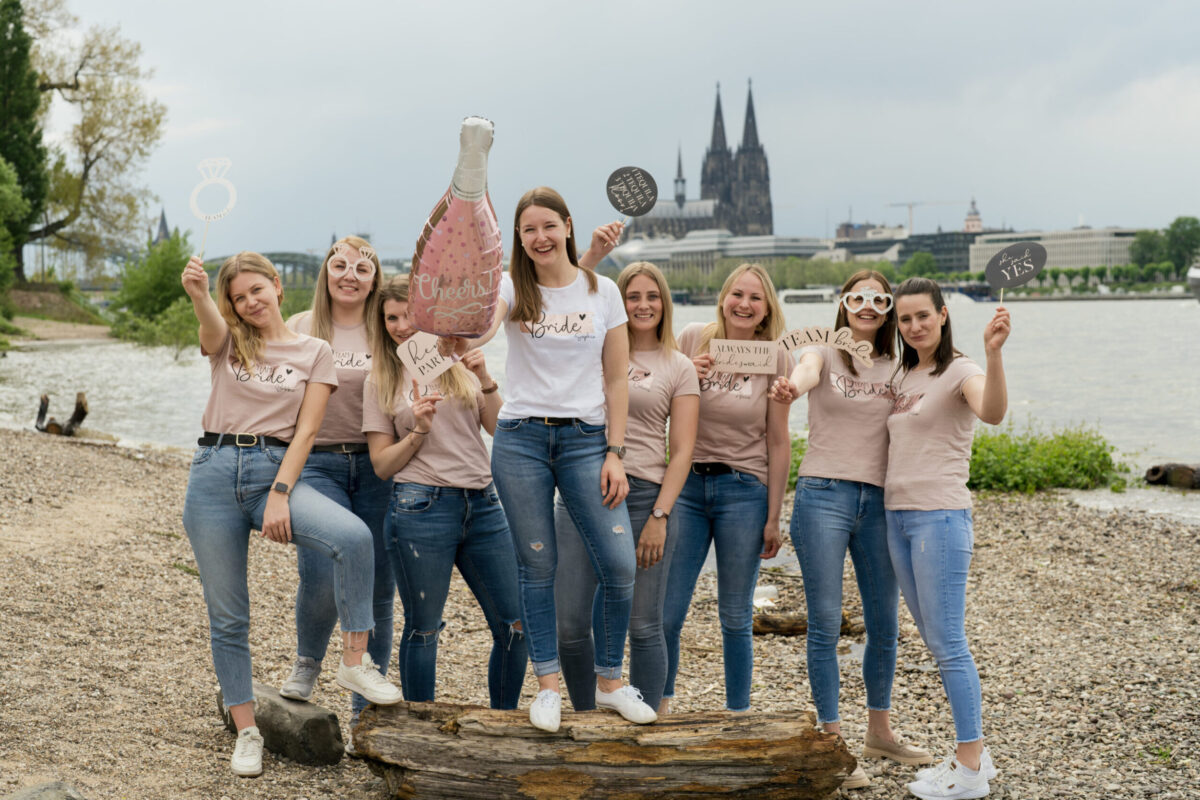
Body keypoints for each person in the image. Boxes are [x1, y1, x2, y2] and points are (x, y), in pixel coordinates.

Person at [179, 253, 401, 779]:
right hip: (212, 472)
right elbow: (210, 332)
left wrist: (280, 492)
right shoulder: (229, 342)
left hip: (273, 470)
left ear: (278, 288)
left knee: (354, 537)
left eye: (258, 290)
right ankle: (248, 730)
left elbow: (306, 431)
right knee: (229, 614)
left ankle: (352, 662)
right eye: (239, 297)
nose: (250, 301)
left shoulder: (314, 350)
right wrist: (201, 295)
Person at [476, 187, 657, 732]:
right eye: (528, 229)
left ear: (567, 226)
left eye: (548, 226)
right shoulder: (511, 287)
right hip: (521, 440)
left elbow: (616, 380)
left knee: (620, 565)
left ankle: (609, 682)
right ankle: (548, 685)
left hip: (586, 440)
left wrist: (616, 452)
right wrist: (463, 331)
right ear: (518, 237)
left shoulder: (602, 292)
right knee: (537, 565)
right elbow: (486, 325)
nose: (539, 237)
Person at [769, 270, 931, 789]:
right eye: (857, 297)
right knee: (824, 621)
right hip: (823, 495)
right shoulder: (822, 348)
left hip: (882, 500)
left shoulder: (900, 363)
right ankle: (833, 743)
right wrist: (791, 387)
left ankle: (879, 731)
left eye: (878, 299)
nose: (867, 306)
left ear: (888, 308)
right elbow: (807, 372)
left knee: (885, 622)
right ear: (843, 303)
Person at [362, 275, 528, 708]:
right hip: (419, 507)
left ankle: (502, 723)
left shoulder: (458, 362)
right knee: (424, 628)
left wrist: (486, 378)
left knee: (515, 625)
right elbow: (382, 465)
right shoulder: (380, 378)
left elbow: (499, 430)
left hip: (484, 504)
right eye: (391, 318)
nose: (401, 325)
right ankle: (423, 731)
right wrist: (418, 430)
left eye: (409, 315)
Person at [554, 260, 699, 715]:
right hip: (583, 491)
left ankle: (647, 730)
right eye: (632, 296)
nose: (642, 305)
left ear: (664, 304)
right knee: (573, 623)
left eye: (651, 297)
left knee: (644, 625)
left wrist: (660, 516)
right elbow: (564, 295)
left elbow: (683, 452)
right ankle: (585, 721)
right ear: (617, 302)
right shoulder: (591, 350)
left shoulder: (679, 366)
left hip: (643, 499)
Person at [886, 277, 1009, 800]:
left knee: (950, 644)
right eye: (905, 318)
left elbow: (993, 412)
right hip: (898, 519)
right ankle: (972, 754)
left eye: (923, 316)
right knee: (938, 642)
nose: (914, 326)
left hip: (940, 517)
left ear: (942, 314)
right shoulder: (904, 374)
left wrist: (994, 353)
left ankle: (971, 767)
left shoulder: (962, 369)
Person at [277, 237, 395, 734]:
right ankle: (308, 661)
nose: (350, 274)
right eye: (340, 264)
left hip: (379, 466)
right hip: (318, 466)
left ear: (375, 280)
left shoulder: (389, 329)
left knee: (378, 586)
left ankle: (365, 708)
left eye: (362, 268)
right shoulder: (301, 327)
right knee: (321, 577)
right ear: (327, 271)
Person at [662, 263, 791, 713]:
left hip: (744, 491)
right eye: (738, 294)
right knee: (667, 613)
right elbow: (655, 405)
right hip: (687, 488)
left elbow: (778, 439)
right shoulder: (694, 339)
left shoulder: (776, 357)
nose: (744, 304)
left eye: (756, 298)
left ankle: (738, 714)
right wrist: (684, 377)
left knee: (735, 616)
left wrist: (775, 516)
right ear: (723, 298)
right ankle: (660, 705)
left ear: (766, 309)